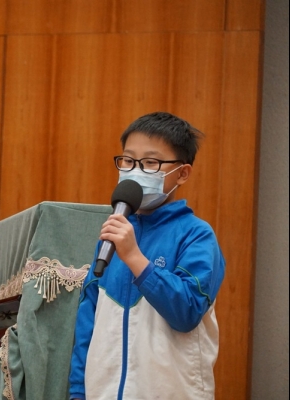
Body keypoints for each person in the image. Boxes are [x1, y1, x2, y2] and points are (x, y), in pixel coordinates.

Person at [69, 111, 226, 399]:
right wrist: (78, 393)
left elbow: (187, 312)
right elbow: (87, 324)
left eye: (151, 163)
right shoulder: (111, 237)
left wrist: (135, 258)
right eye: (128, 161)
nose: (135, 171)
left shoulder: (196, 235)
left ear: (182, 173)